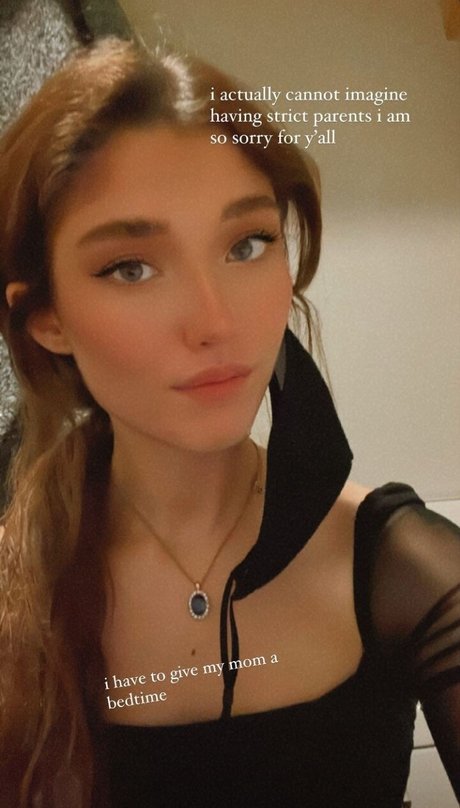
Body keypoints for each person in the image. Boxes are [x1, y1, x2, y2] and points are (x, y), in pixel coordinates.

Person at [0, 37, 459, 808]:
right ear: (47, 318)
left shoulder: (405, 575)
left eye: (247, 244)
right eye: (132, 267)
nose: (216, 321)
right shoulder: (16, 592)